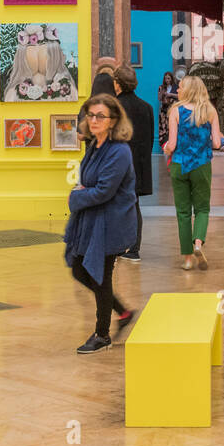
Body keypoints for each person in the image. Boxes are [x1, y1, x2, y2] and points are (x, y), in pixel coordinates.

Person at [63, 93, 137, 354]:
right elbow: (91, 184)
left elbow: (104, 191)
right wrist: (83, 191)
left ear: (113, 120)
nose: (93, 120)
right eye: (90, 115)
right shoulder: (96, 145)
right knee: (80, 270)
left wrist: (77, 195)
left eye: (100, 116)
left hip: (111, 222)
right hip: (96, 219)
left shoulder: (118, 151)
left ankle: (102, 334)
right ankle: (124, 312)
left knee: (99, 275)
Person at [165, 75, 221, 271]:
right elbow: (217, 143)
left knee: (182, 212)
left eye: (180, 87)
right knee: (202, 209)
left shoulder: (175, 111)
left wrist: (166, 148)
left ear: (188, 90)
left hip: (179, 165)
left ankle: (187, 259)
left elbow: (171, 144)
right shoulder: (210, 111)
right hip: (201, 165)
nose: (178, 90)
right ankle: (198, 243)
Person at [113, 65, 155, 262]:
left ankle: (122, 246)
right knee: (133, 205)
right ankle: (134, 247)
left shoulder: (114, 107)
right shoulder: (146, 107)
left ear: (118, 83)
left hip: (118, 165)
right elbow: (149, 140)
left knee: (117, 206)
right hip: (138, 165)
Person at [157, 71, 179, 149]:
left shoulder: (176, 87)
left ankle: (173, 144)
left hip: (173, 109)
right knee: (164, 127)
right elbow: (159, 99)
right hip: (164, 110)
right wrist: (161, 93)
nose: (167, 80)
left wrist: (170, 95)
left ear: (171, 78)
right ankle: (165, 144)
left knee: (172, 126)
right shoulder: (161, 87)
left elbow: (180, 96)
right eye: (166, 78)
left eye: (169, 78)